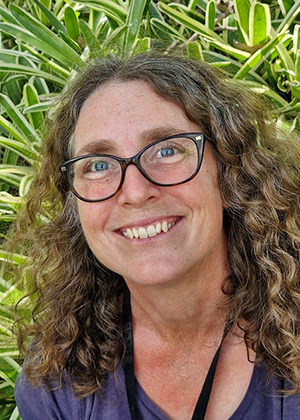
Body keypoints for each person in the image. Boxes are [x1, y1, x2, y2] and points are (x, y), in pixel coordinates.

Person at [12, 53, 300, 420]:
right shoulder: (58, 381)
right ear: (75, 207)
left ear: (230, 176)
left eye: (167, 150)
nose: (135, 191)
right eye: (98, 165)